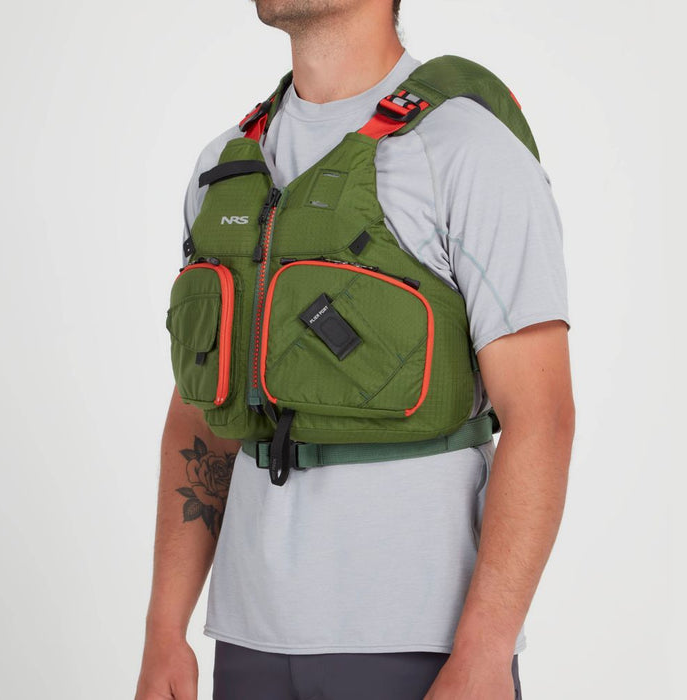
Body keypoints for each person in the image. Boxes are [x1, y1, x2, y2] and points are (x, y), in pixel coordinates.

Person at [135, 1, 575, 698]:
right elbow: (200, 418)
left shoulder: (467, 151)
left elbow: (541, 417)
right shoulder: (223, 168)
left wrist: (486, 651)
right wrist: (165, 631)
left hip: (420, 644)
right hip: (248, 639)